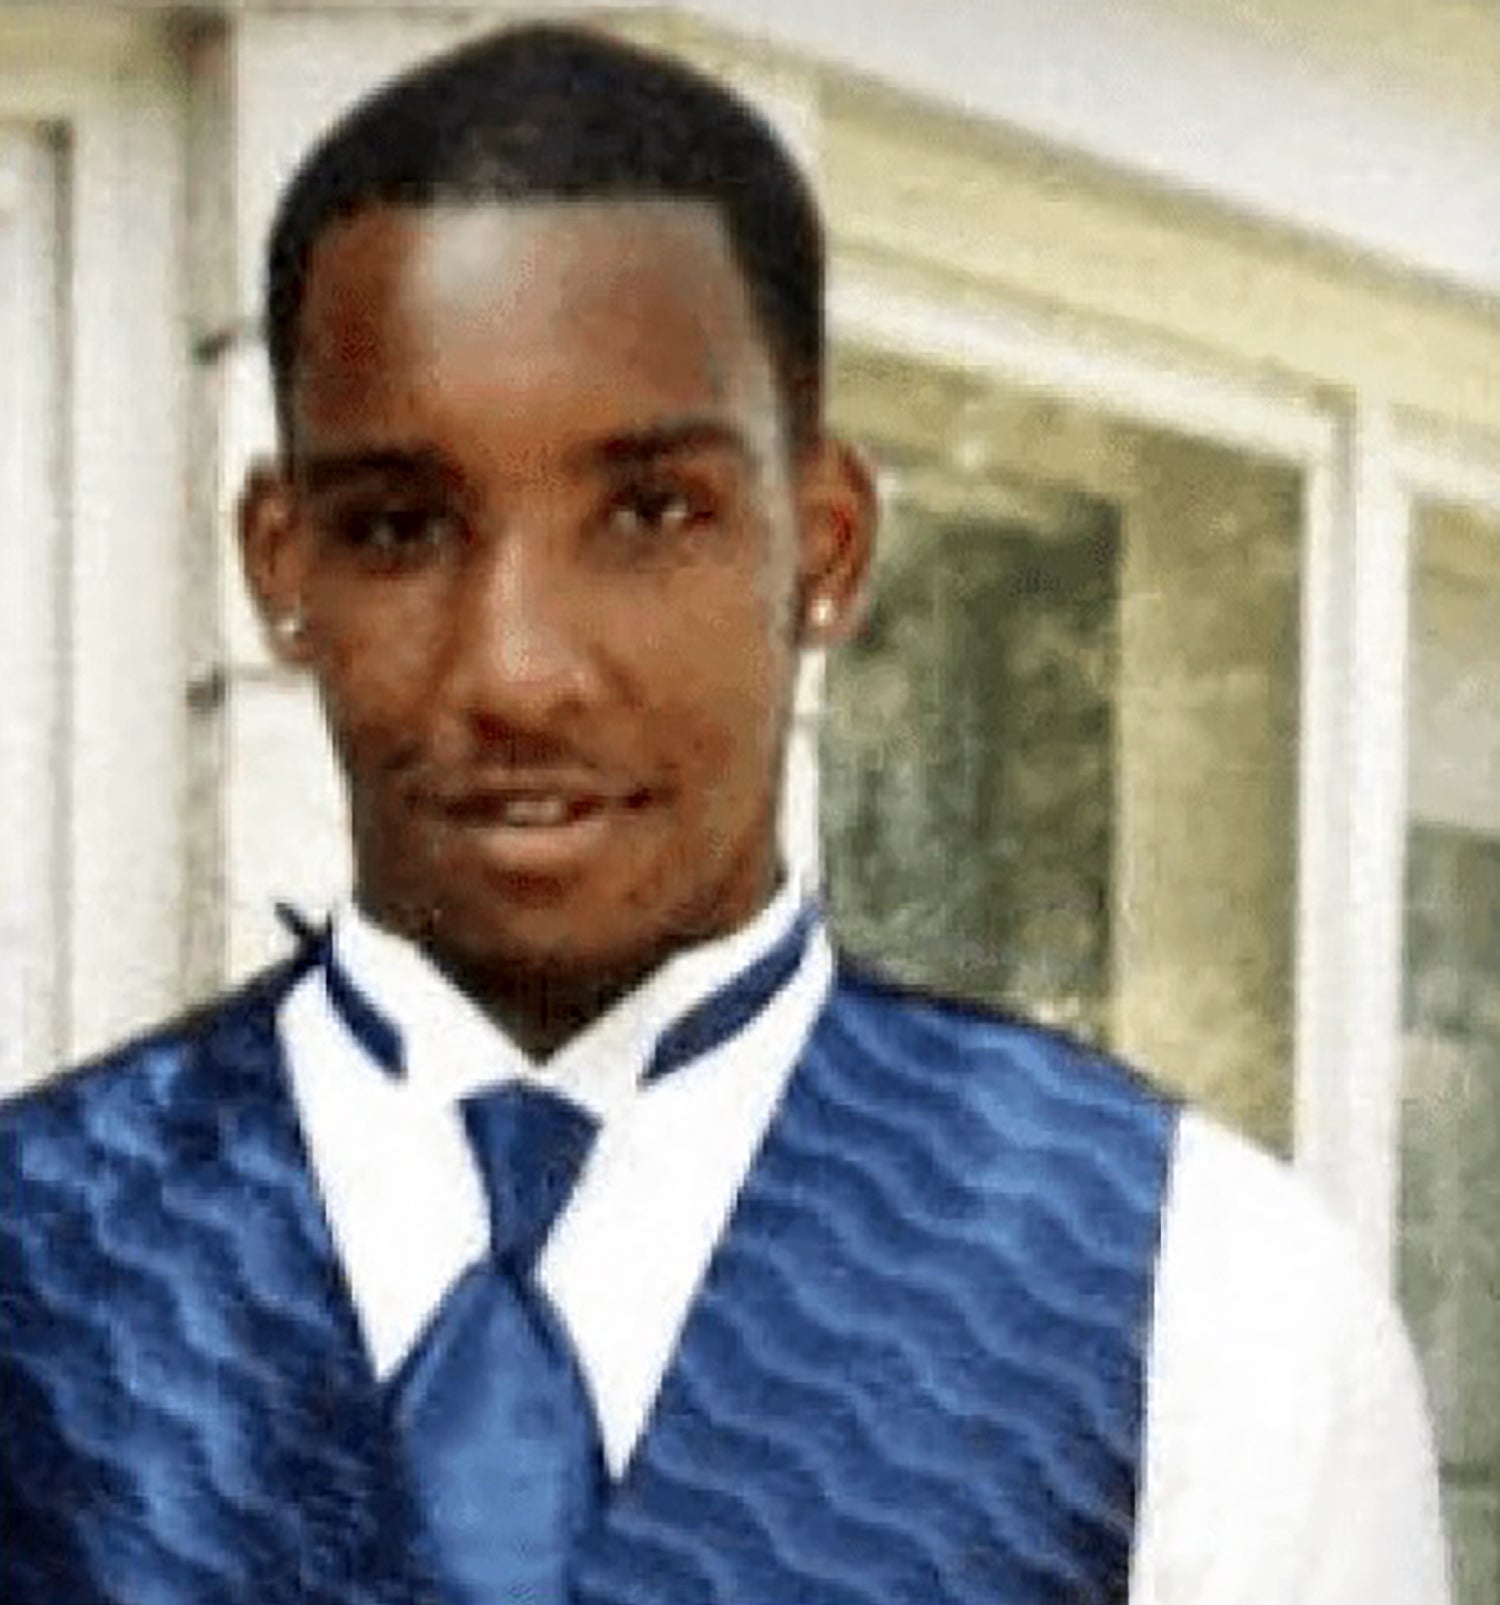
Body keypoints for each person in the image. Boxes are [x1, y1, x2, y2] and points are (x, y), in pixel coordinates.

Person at [1, 21, 1450, 1605]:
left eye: (648, 513)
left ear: (823, 545)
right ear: (281, 563)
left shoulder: (1211, 1306)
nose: (518, 669)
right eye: (401, 525)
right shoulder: (34, 1269)